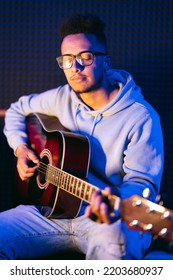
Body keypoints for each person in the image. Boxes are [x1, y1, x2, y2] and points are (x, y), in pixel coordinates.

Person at [0, 14, 164, 260]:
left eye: (84, 57)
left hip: (105, 218)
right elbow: (16, 110)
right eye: (66, 60)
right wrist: (21, 149)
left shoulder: (142, 117)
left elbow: (142, 185)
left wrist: (115, 203)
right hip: (52, 212)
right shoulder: (62, 97)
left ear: (106, 62)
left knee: (113, 248)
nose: (74, 68)